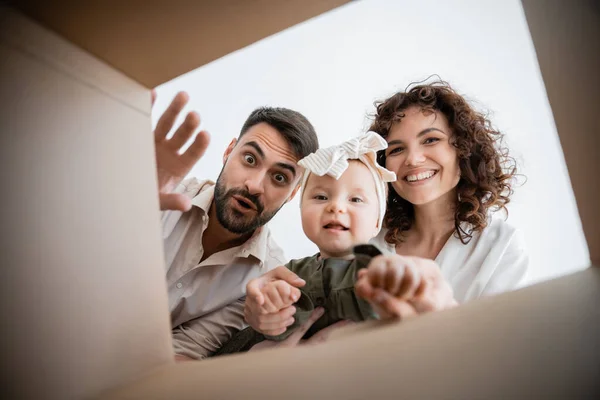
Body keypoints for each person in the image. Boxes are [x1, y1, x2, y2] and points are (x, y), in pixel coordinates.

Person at [245, 80, 528, 335]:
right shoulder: (365, 232)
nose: (413, 159)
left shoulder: (501, 247)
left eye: (431, 139)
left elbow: (496, 347)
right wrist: (268, 314)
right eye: (396, 149)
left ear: (463, 148)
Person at [153, 91, 321, 360]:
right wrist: (131, 198)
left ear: (292, 194)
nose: (254, 185)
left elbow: (183, 353)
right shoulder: (164, 191)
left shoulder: (266, 277)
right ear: (228, 151)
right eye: (250, 159)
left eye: (279, 177)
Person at [213, 132, 398, 355]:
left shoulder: (380, 271)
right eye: (321, 197)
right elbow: (276, 332)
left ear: (378, 221)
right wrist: (274, 309)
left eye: (356, 200)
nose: (336, 207)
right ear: (301, 208)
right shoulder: (290, 273)